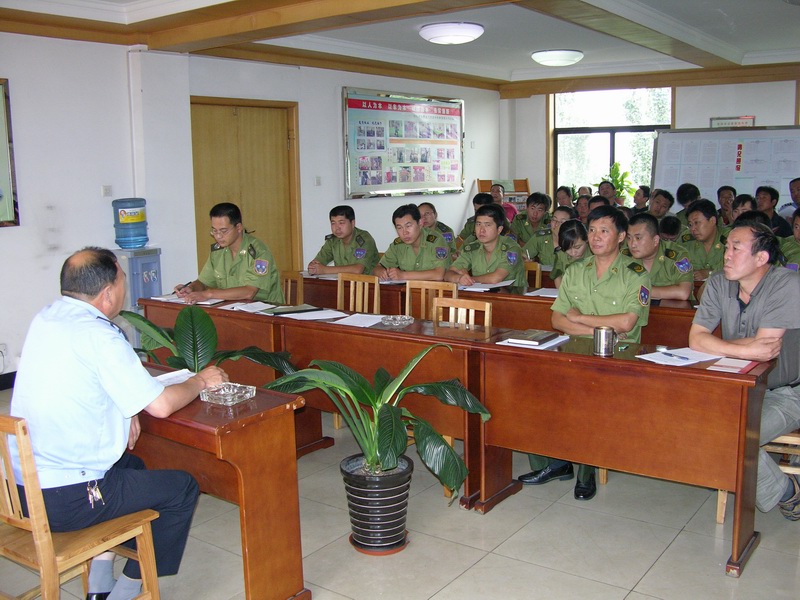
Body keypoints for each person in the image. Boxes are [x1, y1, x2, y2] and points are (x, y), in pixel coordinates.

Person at [10, 247, 229, 600]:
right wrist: (201, 380)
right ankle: (126, 591)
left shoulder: (47, 318)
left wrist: (125, 411)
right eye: (122, 280)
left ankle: (99, 585)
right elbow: (160, 405)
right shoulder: (100, 335)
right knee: (182, 489)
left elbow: (76, 380)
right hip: (67, 499)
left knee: (133, 465)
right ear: (108, 292)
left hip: (21, 491)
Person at [519, 205, 651, 500]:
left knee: (589, 397)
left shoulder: (635, 274)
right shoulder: (576, 270)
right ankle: (555, 463)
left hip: (617, 357)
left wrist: (579, 318)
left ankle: (586, 470)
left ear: (621, 236)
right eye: (591, 230)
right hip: (574, 351)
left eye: (604, 231)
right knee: (530, 388)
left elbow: (627, 324)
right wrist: (599, 329)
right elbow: (557, 320)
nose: (595, 237)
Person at [689, 221, 800, 520]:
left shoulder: (787, 284)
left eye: (736, 248)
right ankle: (787, 489)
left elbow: (766, 349)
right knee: (697, 426)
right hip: (735, 388)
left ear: (761, 257)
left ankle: (788, 495)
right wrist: (744, 349)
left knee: (732, 436)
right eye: (726, 247)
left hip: (786, 393)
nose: (726, 254)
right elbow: (695, 340)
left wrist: (718, 346)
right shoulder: (718, 283)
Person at [175, 202, 284, 304]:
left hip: (265, 312)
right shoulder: (218, 252)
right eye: (214, 231)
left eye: (223, 231)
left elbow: (249, 292)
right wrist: (191, 288)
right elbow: (203, 282)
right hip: (232, 308)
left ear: (239, 227)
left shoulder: (258, 251)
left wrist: (209, 294)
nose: (218, 236)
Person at [446, 203, 525, 287]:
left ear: (499, 229)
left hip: (512, 294)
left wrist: (469, 279)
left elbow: (495, 278)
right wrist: (459, 278)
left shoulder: (511, 248)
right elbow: (448, 274)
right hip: (481, 293)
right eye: (478, 224)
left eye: (487, 225)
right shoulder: (472, 248)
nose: (481, 230)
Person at [374, 204, 451, 281]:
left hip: (436, 288)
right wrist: (382, 272)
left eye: (408, 226)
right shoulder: (397, 245)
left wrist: (403, 275)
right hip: (408, 288)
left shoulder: (437, 240)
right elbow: (377, 268)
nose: (405, 232)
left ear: (420, 223)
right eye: (399, 228)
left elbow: (439, 275)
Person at [626, 213, 693, 300]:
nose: (632, 244)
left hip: (671, 308)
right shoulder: (624, 256)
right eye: (629, 238)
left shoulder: (677, 255)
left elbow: (683, 293)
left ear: (655, 240)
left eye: (638, 238)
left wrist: (635, 290)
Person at [307, 205, 379, 276]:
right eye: (333, 223)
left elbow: (357, 269)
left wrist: (324, 270)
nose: (337, 228)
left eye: (341, 223)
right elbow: (317, 261)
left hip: (367, 282)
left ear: (352, 223)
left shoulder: (364, 239)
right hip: (342, 282)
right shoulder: (332, 241)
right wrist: (313, 267)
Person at [684, 199, 726, 281]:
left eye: (697, 223)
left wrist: (710, 273)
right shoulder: (686, 241)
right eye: (690, 224)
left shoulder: (729, 237)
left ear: (712, 221)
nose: (693, 229)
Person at [550, 219, 589, 288]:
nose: (573, 253)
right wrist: (561, 292)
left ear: (587, 240)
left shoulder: (595, 254)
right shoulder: (561, 255)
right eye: (568, 249)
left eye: (577, 247)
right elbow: (557, 275)